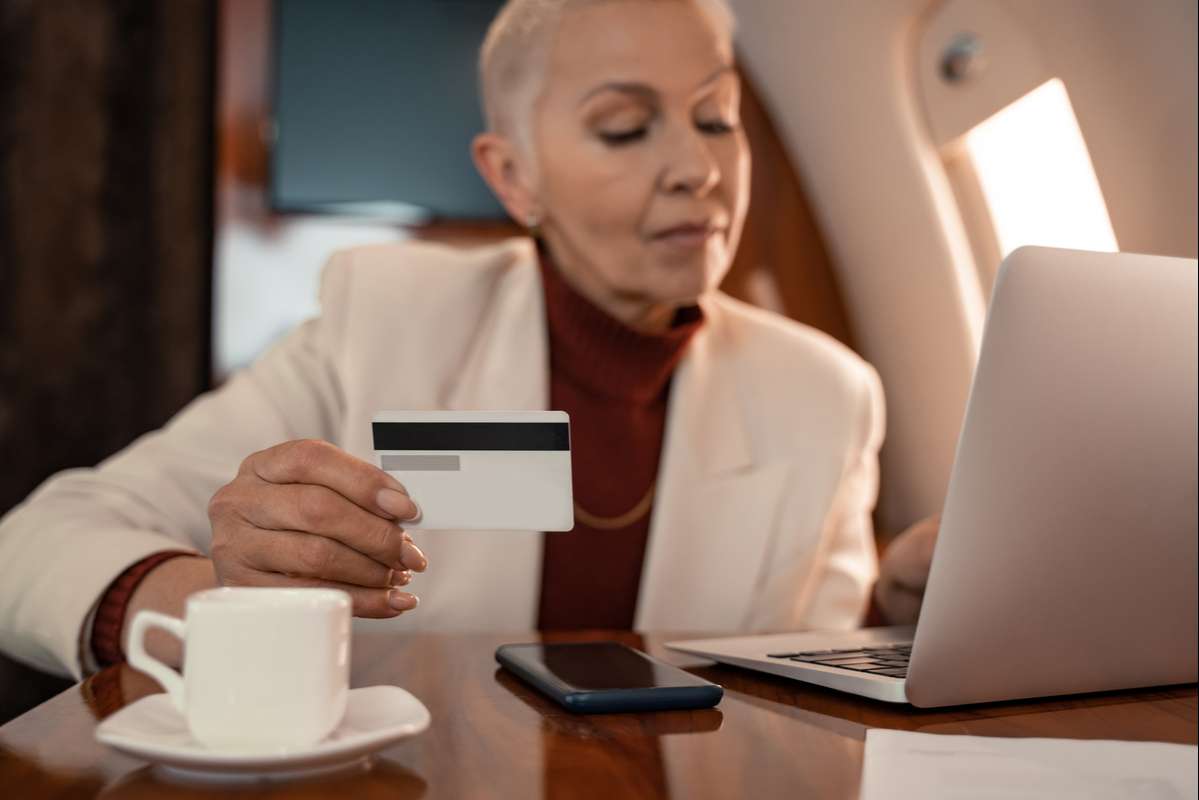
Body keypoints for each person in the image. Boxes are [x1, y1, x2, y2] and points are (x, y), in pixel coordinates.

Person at [0, 0, 937, 680]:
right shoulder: (385, 316)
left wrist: (904, 611)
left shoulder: (828, 393)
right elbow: (32, 545)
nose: (697, 168)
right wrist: (219, 594)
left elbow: (803, 678)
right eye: (624, 127)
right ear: (514, 177)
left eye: (715, 118)